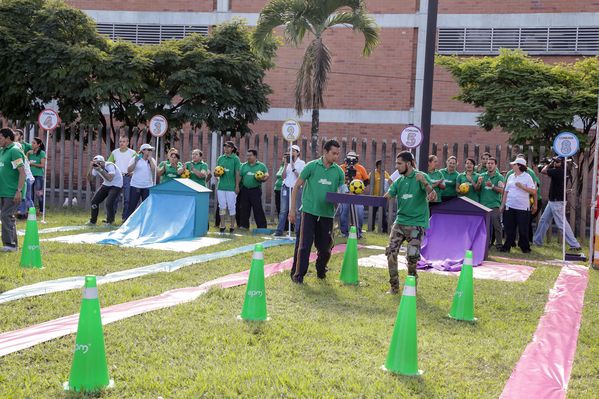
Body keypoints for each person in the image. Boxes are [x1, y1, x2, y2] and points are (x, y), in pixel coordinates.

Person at [289, 139, 345, 283]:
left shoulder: (339, 172)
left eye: (338, 154)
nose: (336, 157)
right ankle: (298, 275)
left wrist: (345, 195)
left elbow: (341, 192)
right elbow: (296, 187)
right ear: (325, 152)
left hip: (327, 215)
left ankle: (321, 271)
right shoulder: (312, 166)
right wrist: (292, 210)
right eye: (333, 153)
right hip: (309, 212)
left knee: (325, 248)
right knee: (304, 245)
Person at [384, 151, 436, 294]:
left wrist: (425, 183)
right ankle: (394, 287)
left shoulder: (421, 177)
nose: (397, 167)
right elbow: (388, 195)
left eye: (399, 164)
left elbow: (433, 196)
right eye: (396, 163)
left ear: (408, 163)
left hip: (416, 224)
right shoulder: (399, 181)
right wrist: (386, 196)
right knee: (390, 252)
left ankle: (412, 284)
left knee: (412, 256)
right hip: (400, 222)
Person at [533, 157, 582, 250]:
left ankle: (575, 245)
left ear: (562, 163)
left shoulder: (559, 171)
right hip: (553, 200)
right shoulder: (562, 170)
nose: (555, 163)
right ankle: (537, 241)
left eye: (557, 162)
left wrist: (549, 164)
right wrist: (552, 163)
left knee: (562, 223)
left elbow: (543, 170)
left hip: (557, 201)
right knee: (544, 221)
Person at [499, 158, 537, 253]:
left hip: (523, 207)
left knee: (523, 229)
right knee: (508, 228)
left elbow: (533, 191)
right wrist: (502, 205)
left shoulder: (527, 177)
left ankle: (525, 247)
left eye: (515, 164)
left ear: (520, 165)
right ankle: (507, 246)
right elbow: (506, 192)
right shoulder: (511, 176)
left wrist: (522, 187)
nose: (513, 166)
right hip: (510, 206)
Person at [505, 153, 542, 243]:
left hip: (527, 202)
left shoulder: (529, 174)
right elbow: (506, 189)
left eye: (516, 163)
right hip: (511, 204)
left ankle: (526, 243)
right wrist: (504, 203)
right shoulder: (510, 174)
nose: (514, 165)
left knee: (525, 225)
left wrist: (535, 205)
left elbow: (535, 190)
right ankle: (510, 243)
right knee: (510, 225)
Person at [0, 128, 26, 252]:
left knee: (6, 215)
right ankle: (11, 244)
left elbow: (22, 172)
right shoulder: (2, 151)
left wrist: (19, 190)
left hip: (12, 192)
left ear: (8, 138)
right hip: (2, 191)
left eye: (1, 138)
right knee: (6, 216)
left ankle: (10, 245)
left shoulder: (14, 151)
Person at [275, 144, 305, 236]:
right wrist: (285, 165)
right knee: (283, 210)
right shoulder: (287, 162)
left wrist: (292, 167)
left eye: (294, 151)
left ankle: (297, 231)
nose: (291, 152)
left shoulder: (302, 163)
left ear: (298, 153)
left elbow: (300, 177)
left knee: (297, 211)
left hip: (296, 188)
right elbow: (282, 176)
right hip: (286, 186)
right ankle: (279, 231)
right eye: (290, 150)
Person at [339, 151, 369, 238]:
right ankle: (344, 232)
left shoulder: (360, 168)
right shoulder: (341, 168)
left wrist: (361, 187)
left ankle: (358, 232)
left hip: (357, 194)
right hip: (345, 193)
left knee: (359, 211)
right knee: (344, 211)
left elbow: (367, 180)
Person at [86, 155, 123, 226]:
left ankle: (110, 222)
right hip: (106, 184)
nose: (97, 164)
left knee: (109, 203)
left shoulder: (110, 165)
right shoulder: (96, 167)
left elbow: (110, 178)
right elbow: (90, 180)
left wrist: (100, 170)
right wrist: (90, 168)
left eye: (99, 163)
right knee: (94, 202)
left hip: (116, 185)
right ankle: (93, 221)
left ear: (103, 162)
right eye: (96, 163)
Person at [238, 149, 269, 229]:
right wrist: (237, 186)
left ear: (255, 156)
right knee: (244, 208)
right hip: (245, 189)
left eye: (250, 155)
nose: (248, 157)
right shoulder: (244, 165)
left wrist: (263, 178)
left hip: (255, 190)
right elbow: (240, 177)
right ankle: (243, 225)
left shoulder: (261, 166)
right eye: (247, 155)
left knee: (257, 208)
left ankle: (261, 226)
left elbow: (266, 175)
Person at [107, 136, 136, 222]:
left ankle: (125, 218)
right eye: (120, 141)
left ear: (127, 143)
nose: (122, 143)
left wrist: (133, 172)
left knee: (127, 199)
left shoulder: (132, 153)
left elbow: (138, 164)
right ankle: (111, 218)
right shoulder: (114, 153)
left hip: (127, 177)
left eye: (124, 141)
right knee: (114, 198)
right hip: (117, 178)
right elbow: (109, 164)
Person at [125, 143, 156, 219]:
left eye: (151, 150)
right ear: (143, 151)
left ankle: (145, 222)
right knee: (132, 205)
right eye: (149, 150)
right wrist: (135, 161)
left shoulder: (152, 160)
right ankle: (127, 221)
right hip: (136, 185)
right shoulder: (135, 158)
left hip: (148, 186)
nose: (150, 151)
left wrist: (150, 160)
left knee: (147, 206)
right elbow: (129, 170)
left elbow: (154, 170)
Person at [479, 157, 505, 249]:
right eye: (488, 163)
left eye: (491, 163)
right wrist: (478, 183)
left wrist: (492, 186)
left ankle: (499, 244)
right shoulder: (482, 175)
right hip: (482, 205)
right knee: (484, 226)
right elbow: (478, 190)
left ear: (495, 165)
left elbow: (502, 191)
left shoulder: (499, 177)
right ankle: (484, 243)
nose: (489, 165)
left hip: (494, 205)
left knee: (497, 225)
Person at [216, 141, 241, 233]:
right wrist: (216, 174)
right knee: (222, 206)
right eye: (225, 147)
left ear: (232, 149)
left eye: (228, 147)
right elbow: (217, 171)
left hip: (231, 187)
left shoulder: (236, 159)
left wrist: (237, 186)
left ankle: (232, 225)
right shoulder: (220, 158)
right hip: (221, 186)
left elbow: (237, 173)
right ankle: (222, 225)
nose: (226, 148)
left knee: (231, 206)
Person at [13, 129, 35, 219]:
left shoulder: (19, 154)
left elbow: (22, 169)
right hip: (25, 177)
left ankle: (28, 214)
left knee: (26, 197)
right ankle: (22, 213)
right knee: (24, 197)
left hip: (27, 178)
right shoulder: (21, 155)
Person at [370, 159, 392, 233]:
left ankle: (384, 229)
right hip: (374, 197)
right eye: (380, 166)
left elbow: (389, 183)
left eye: (383, 166)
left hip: (383, 197)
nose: (382, 167)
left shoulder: (386, 174)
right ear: (377, 166)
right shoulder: (373, 173)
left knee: (383, 214)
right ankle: (371, 228)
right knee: (372, 213)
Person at [28, 137, 46, 213]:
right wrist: (27, 154)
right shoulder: (29, 152)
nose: (32, 144)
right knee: (30, 193)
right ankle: (31, 210)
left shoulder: (42, 153)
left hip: (38, 175)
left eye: (34, 143)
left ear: (38, 145)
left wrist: (32, 164)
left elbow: (42, 165)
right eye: (32, 142)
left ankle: (42, 210)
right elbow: (26, 163)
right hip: (30, 176)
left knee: (39, 193)